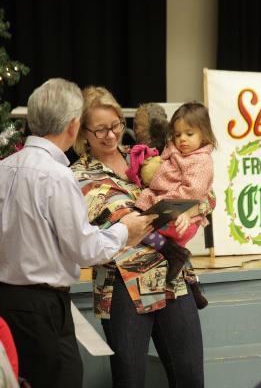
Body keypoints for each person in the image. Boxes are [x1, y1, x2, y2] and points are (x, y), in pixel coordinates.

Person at [0, 78, 156, 388]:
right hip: (43, 305)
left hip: (7, 301)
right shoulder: (57, 176)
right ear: (74, 126)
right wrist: (125, 232)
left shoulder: (5, 167)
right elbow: (84, 249)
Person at [72, 87, 216, 388]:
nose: (110, 135)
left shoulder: (145, 157)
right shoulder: (79, 175)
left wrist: (191, 210)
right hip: (124, 286)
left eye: (115, 125)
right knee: (130, 381)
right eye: (100, 130)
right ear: (83, 131)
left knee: (191, 378)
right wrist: (181, 207)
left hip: (172, 279)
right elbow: (132, 222)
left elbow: (207, 194)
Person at [132, 102, 217, 284]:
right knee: (176, 265)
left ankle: (176, 256)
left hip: (179, 217)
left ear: (204, 134)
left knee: (140, 228)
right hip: (172, 213)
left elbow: (193, 191)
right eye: (177, 135)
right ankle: (190, 281)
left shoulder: (201, 161)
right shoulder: (176, 151)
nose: (182, 140)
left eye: (189, 134)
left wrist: (164, 201)